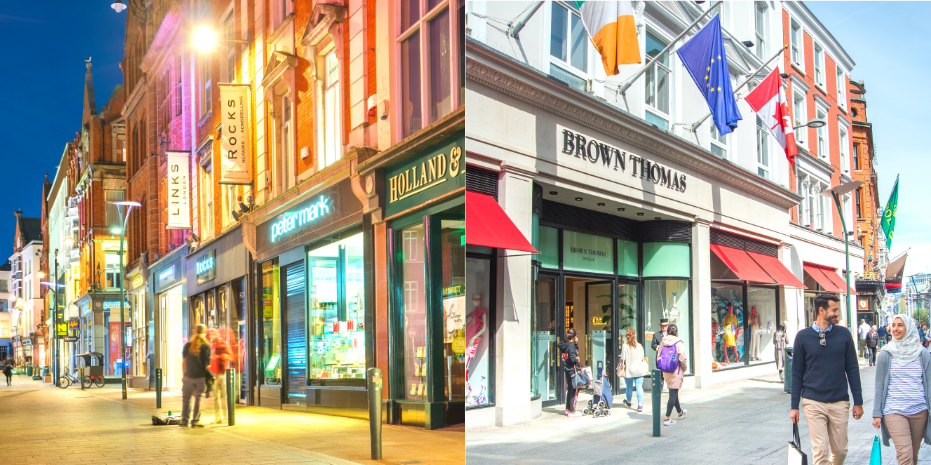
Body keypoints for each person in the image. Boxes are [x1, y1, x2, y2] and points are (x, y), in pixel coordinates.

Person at [790, 293, 864, 465]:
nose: (837, 313)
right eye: (835, 310)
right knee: (820, 450)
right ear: (822, 311)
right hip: (813, 402)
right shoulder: (802, 337)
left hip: (839, 401)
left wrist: (858, 401)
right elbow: (796, 373)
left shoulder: (844, 334)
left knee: (840, 450)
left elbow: (852, 369)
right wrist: (794, 406)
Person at [872, 314, 931, 465]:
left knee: (913, 456)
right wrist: (877, 413)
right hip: (894, 410)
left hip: (919, 410)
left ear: (909, 328)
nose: (896, 328)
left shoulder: (922, 354)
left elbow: (929, 384)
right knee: (905, 455)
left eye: (900, 325)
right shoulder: (886, 353)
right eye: (894, 325)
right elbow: (879, 385)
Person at [181, 324, 212, 428]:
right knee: (198, 399)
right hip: (200, 377)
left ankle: (184, 421)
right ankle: (195, 421)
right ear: (205, 333)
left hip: (189, 376)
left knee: (186, 399)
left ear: (195, 331)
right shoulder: (206, 346)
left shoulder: (187, 345)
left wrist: (184, 374)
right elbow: (207, 364)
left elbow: (184, 361)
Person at [659, 324, 687, 426]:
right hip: (676, 370)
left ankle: (680, 412)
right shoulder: (678, 342)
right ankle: (667, 418)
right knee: (673, 393)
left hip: (666, 371)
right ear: (676, 331)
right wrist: (684, 367)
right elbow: (682, 357)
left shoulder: (663, 341)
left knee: (673, 391)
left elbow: (659, 355)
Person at [619, 328, 647, 412]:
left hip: (629, 370)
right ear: (635, 335)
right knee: (639, 386)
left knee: (629, 386)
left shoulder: (625, 346)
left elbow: (622, 358)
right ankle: (640, 404)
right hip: (639, 370)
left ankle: (629, 401)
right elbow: (642, 358)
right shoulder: (639, 346)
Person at [209, 329, 233, 424]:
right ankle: (217, 418)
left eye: (214, 333)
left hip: (223, 374)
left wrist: (221, 356)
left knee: (225, 397)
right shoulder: (211, 346)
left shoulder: (224, 344)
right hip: (214, 375)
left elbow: (231, 357)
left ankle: (226, 416)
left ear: (218, 334)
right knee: (216, 397)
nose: (212, 335)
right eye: (211, 334)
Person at [557, 328, 583, 417]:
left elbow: (572, 352)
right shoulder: (570, 345)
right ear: (574, 336)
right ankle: (572, 410)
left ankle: (568, 409)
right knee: (574, 390)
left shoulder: (565, 344)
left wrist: (576, 344)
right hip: (572, 369)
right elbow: (573, 357)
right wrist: (577, 359)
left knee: (570, 390)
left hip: (567, 369)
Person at [651, 318, 669, 389]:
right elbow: (653, 345)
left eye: (665, 326)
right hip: (660, 357)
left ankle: (670, 387)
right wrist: (658, 347)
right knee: (660, 373)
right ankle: (660, 387)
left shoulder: (670, 335)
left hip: (668, 357)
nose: (663, 327)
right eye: (662, 326)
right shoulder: (656, 335)